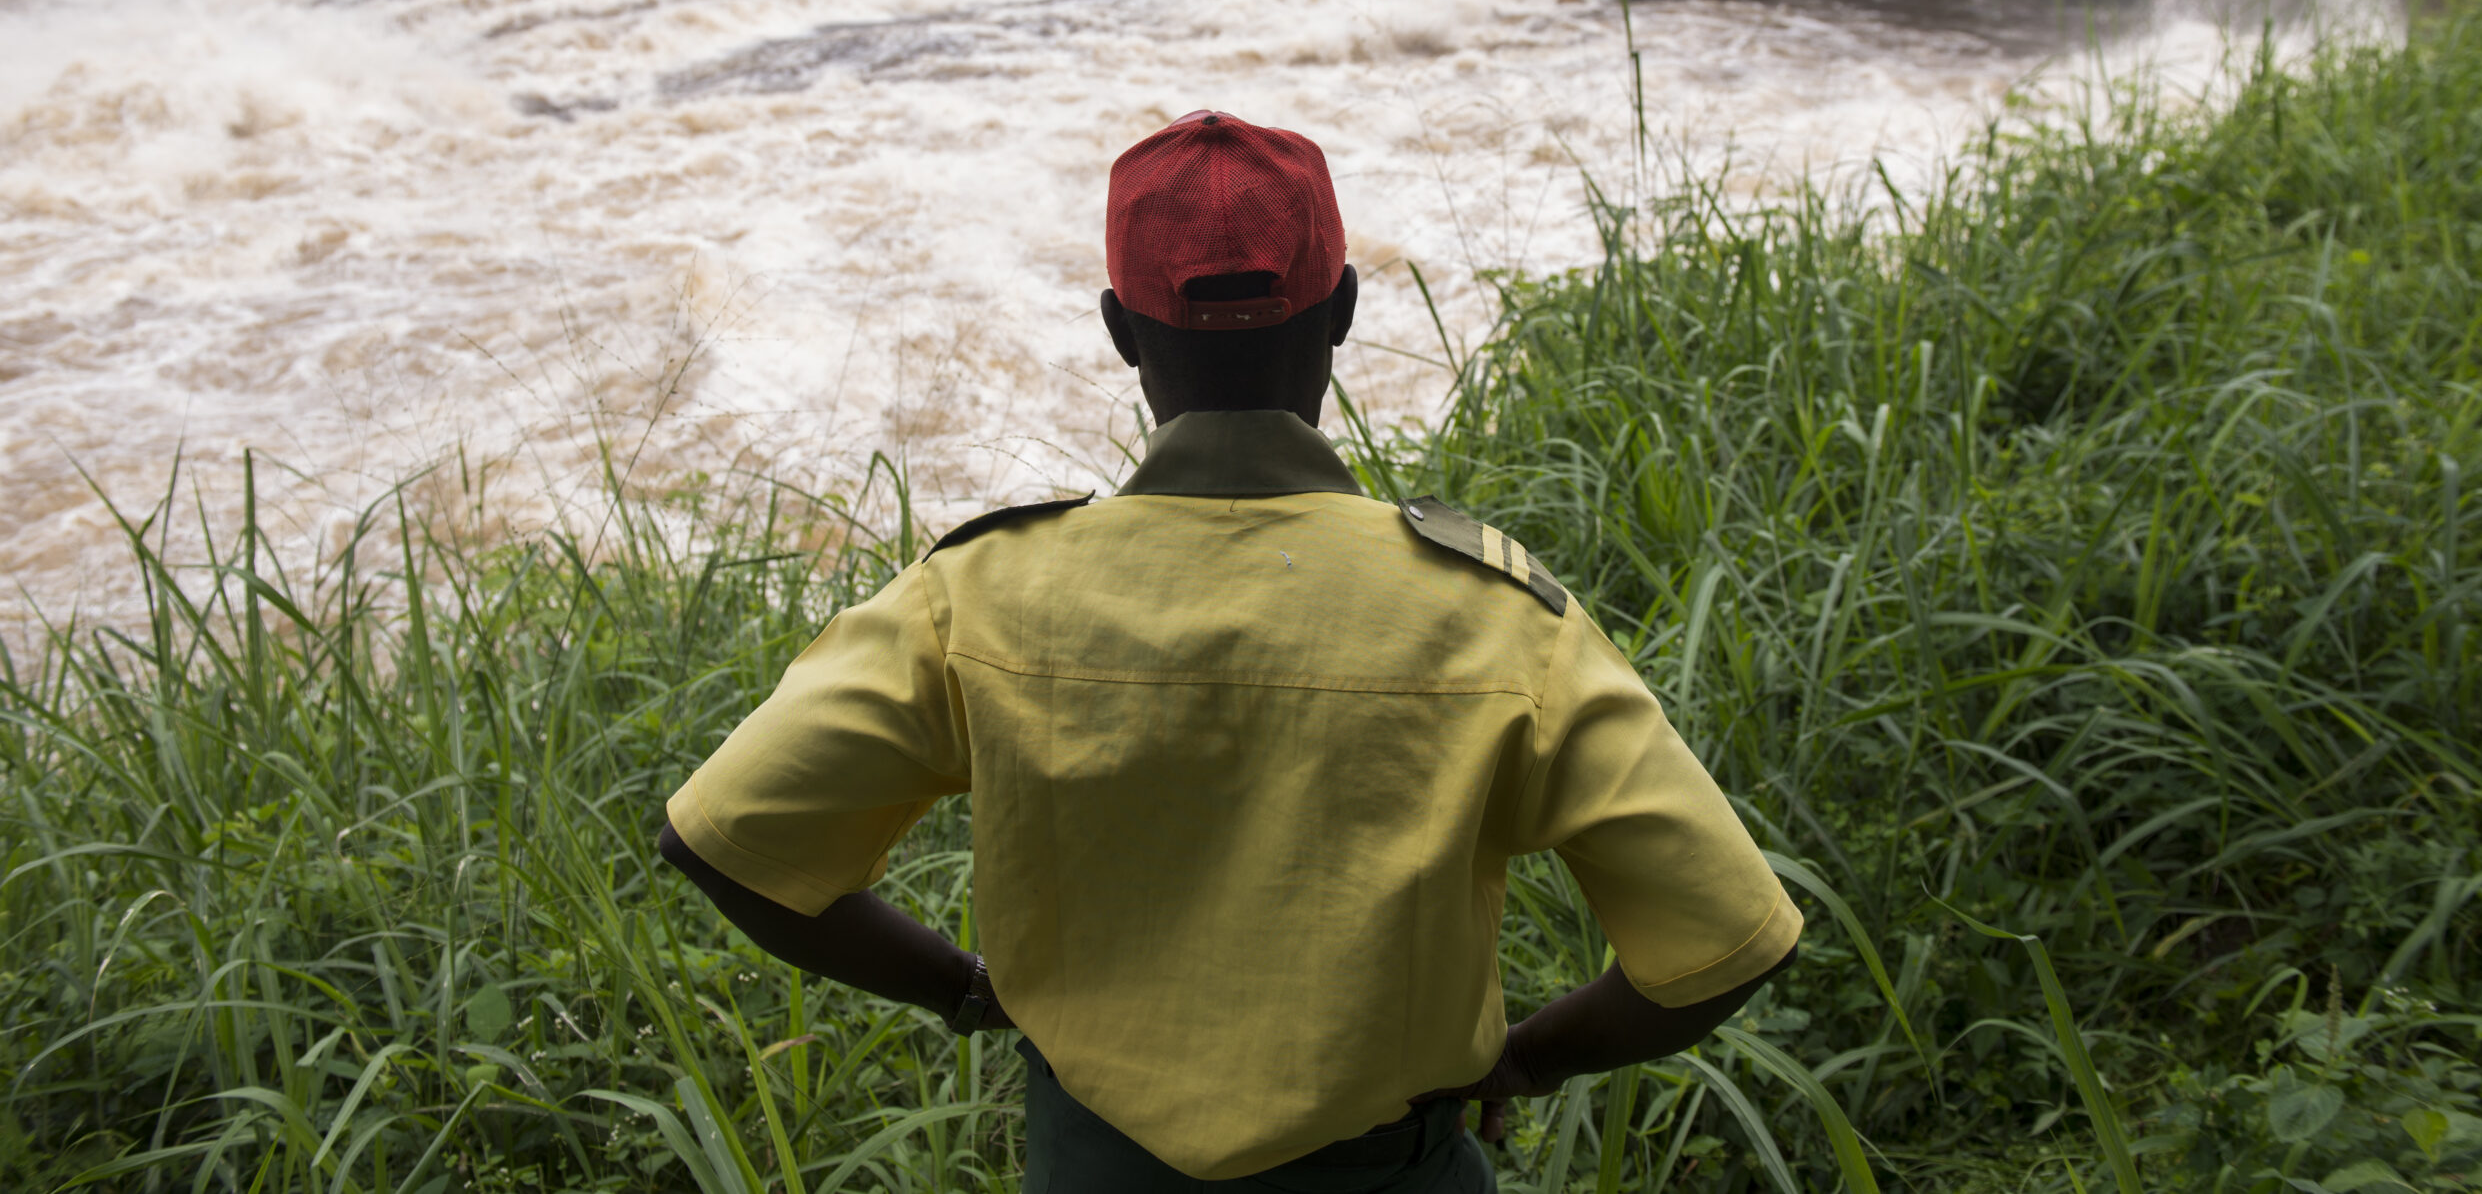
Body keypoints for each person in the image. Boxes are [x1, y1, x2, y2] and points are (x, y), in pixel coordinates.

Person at [660, 109, 1803, 1190]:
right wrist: (1525, 1057)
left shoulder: (980, 595)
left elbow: (729, 840)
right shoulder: (1498, 617)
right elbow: (1726, 936)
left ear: (1118, 329)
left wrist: (961, 986)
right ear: (1344, 308)